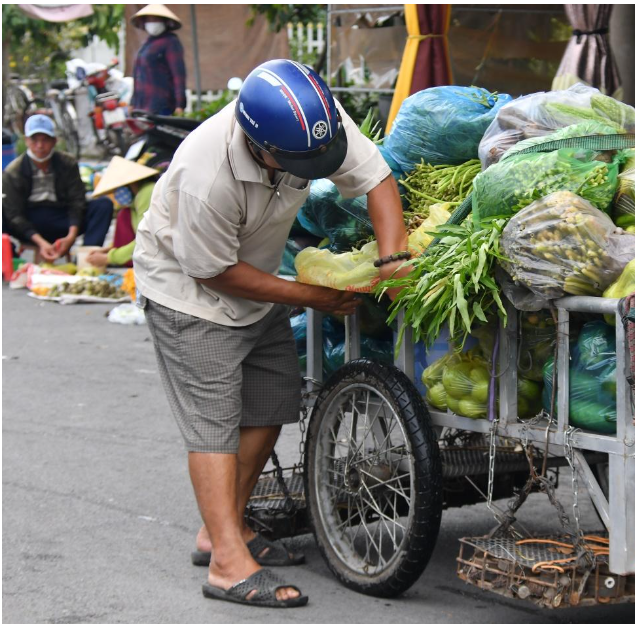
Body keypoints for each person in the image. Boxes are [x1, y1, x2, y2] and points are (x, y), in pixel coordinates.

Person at [133, 59, 409, 608]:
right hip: (193, 293)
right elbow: (213, 271)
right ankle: (227, 565)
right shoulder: (205, 174)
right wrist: (314, 297)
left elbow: (375, 177)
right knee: (214, 423)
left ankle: (220, 531)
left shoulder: (312, 122)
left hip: (258, 282)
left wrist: (393, 258)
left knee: (270, 403)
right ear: (260, 147)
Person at [2, 114, 112, 262]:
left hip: (62, 218)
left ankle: (86, 259)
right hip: (30, 222)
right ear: (26, 141)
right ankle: (10, 261)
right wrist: (41, 242)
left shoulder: (68, 163)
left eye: (45, 140)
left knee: (103, 205)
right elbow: (15, 215)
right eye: (35, 140)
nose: (40, 146)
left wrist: (71, 236)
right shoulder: (13, 172)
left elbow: (77, 201)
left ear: (54, 141)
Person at [84, 157, 159, 269]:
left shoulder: (147, 193)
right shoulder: (135, 200)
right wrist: (111, 249)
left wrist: (108, 258)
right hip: (147, 248)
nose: (116, 193)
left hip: (158, 253)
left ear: (130, 183)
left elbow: (146, 239)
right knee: (124, 214)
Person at [130, 4, 187, 116]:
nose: (152, 22)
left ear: (164, 21)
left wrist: (180, 104)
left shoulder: (171, 42)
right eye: (149, 19)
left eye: (155, 19)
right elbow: (137, 77)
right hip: (141, 105)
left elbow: (178, 75)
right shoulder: (146, 44)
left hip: (161, 105)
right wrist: (132, 102)